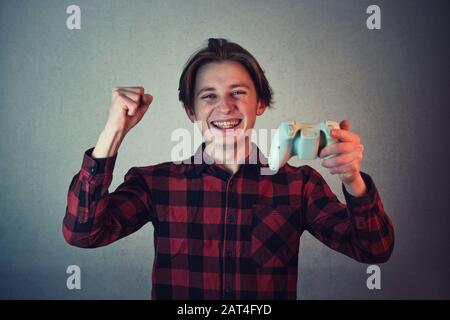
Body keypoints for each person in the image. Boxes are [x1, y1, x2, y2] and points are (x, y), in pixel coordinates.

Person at [63, 38, 394, 299]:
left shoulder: (300, 185)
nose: (225, 106)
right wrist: (113, 132)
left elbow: (374, 250)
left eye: (238, 93)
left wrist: (353, 180)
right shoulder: (155, 183)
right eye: (209, 96)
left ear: (260, 103)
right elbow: (83, 234)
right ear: (190, 111)